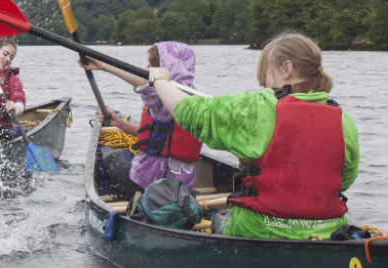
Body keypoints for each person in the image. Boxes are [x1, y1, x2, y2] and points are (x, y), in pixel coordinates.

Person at [147, 32, 359, 240]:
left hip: (257, 232)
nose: (264, 86)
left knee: (217, 217)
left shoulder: (259, 107)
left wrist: (160, 81)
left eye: (265, 77)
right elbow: (344, 181)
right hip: (326, 234)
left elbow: (191, 112)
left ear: (287, 68)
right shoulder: (343, 120)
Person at [83, 42, 202, 199]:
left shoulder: (161, 96)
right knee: (127, 155)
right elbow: (161, 136)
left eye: (149, 68)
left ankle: (114, 203)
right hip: (182, 187)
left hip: (149, 186)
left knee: (108, 159)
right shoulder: (196, 98)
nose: (146, 71)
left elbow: (145, 84)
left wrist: (105, 66)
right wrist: (120, 124)